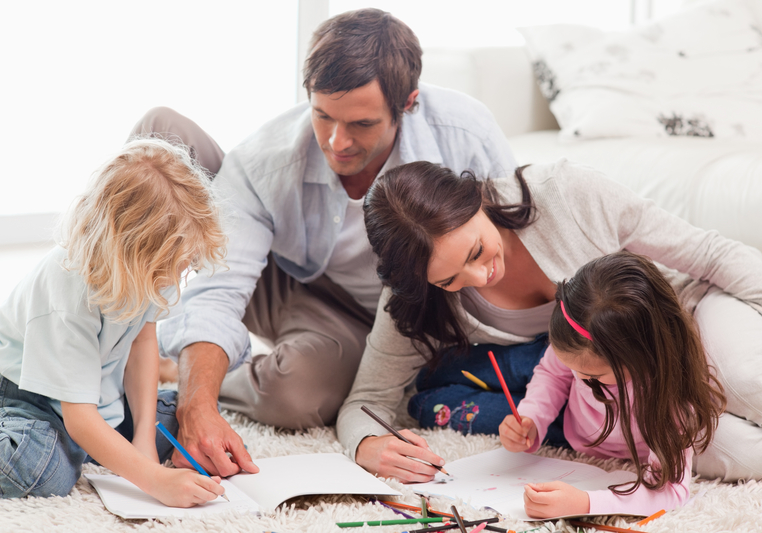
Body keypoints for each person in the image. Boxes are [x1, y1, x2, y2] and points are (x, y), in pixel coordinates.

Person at [135, 8, 516, 478]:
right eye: (323, 116)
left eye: (361, 124)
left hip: (389, 316)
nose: (337, 142)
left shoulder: (465, 134)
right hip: (288, 279)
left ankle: (188, 370)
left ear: (409, 103)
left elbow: (511, 243)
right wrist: (196, 412)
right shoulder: (268, 159)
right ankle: (140, 347)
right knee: (162, 135)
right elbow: (220, 287)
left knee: (292, 394)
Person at [337, 160, 762, 484]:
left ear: (474, 198)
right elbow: (365, 400)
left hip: (689, 313)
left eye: (476, 252)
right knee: (745, 452)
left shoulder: (565, 193)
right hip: (632, 387)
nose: (480, 277)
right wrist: (366, 446)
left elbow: (710, 253)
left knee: (749, 382)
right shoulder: (415, 296)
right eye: (451, 279)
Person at [0, 139, 227, 505]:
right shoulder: (68, 293)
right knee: (40, 471)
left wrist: (142, 439)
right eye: (174, 265)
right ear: (131, 251)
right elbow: (78, 419)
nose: (180, 274)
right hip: (34, 399)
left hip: (100, 394)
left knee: (189, 429)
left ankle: (104, 447)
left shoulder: (157, 269)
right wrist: (153, 479)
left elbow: (142, 343)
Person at [499, 251, 725, 518]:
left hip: (570, 434)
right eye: (573, 367)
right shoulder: (579, 343)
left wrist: (585, 504)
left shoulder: (672, 398)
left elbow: (672, 492)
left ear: (641, 356)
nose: (577, 376)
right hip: (570, 421)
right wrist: (532, 419)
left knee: (458, 404)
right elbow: (552, 373)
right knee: (463, 376)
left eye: (591, 377)